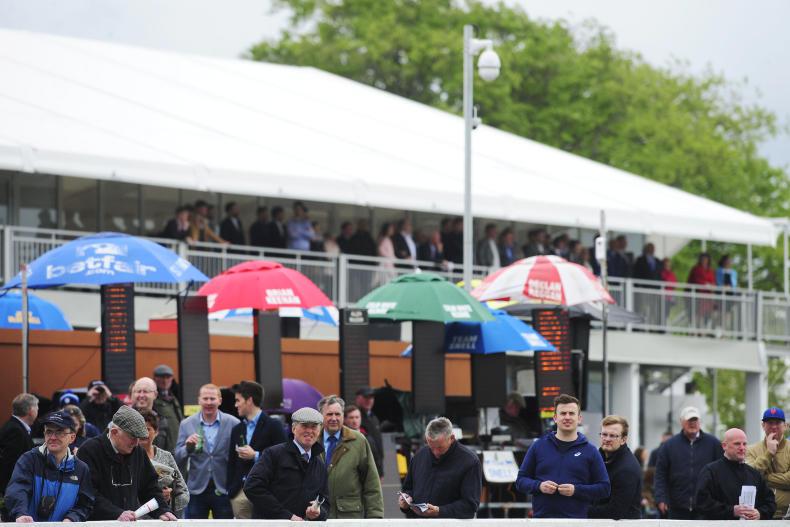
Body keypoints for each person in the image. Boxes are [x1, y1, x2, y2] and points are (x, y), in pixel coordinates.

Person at [515, 393, 610, 518]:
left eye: (571, 413)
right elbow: (521, 481)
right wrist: (539, 486)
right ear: (555, 418)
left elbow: (604, 488)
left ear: (579, 418)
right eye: (563, 413)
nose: (567, 417)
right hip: (542, 521)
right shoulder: (538, 446)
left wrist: (576, 490)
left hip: (577, 522)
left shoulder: (590, 451)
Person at [77, 406, 176, 521]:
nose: (136, 443)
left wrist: (163, 510)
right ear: (114, 432)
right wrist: (116, 513)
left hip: (129, 522)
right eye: (132, 437)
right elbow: (88, 493)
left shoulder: (138, 452)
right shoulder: (89, 451)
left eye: (138, 438)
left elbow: (150, 488)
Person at [4, 411, 93, 522]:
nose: (53, 437)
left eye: (59, 432)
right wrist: (21, 513)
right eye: (49, 432)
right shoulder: (29, 460)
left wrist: (72, 519)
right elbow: (17, 489)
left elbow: (85, 504)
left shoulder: (81, 469)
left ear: (72, 437)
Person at [244, 407, 329, 520]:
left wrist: (318, 512)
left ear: (319, 431)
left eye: (314, 426)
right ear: (293, 428)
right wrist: (286, 516)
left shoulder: (320, 464)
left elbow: (325, 501)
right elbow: (252, 487)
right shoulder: (273, 454)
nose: (309, 431)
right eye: (304, 426)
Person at [174, 383, 239, 519]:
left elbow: (238, 456)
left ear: (220, 400)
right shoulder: (186, 424)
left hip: (224, 487)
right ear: (199, 400)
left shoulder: (234, 423)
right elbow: (177, 457)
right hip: (196, 488)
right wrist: (187, 447)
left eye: (212, 398)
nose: (209, 402)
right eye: (205, 398)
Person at [399, 417, 481, 519]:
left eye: (440, 447)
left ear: (452, 438)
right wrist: (406, 500)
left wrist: (440, 511)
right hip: (418, 523)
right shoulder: (419, 456)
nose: (435, 452)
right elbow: (408, 488)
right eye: (431, 446)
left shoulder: (469, 461)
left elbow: (470, 505)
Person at [227, 381, 287, 519]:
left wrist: (256, 455)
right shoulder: (237, 429)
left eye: (238, 400)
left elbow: (284, 456)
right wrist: (230, 489)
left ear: (249, 400)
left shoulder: (274, 425)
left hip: (267, 491)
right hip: (239, 494)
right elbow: (231, 462)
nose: (235, 405)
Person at [318, 395, 383, 519]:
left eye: (337, 414)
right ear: (321, 416)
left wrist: (375, 517)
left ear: (343, 416)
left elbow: (371, 482)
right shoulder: (311, 441)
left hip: (350, 516)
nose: (334, 418)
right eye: (329, 414)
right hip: (318, 516)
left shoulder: (358, 441)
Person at [654, 405, 723, 519]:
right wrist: (660, 498)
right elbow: (660, 474)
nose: (692, 423)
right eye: (689, 420)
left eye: (695, 420)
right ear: (681, 422)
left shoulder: (713, 444)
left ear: (700, 422)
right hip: (676, 508)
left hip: (705, 508)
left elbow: (721, 473)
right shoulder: (669, 446)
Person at [695, 428, 776, 520]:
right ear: (724, 446)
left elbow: (770, 503)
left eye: (744, 444)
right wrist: (732, 511)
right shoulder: (710, 471)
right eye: (737, 444)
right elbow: (701, 503)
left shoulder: (754, 474)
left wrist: (760, 513)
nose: (742, 448)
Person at [588, 415, 642, 519]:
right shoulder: (598, 458)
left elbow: (615, 511)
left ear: (623, 440)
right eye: (604, 434)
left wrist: (581, 510)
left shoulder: (627, 469)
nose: (607, 439)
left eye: (613, 436)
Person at [138, 409, 189, 517]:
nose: (143, 433)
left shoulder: (167, 457)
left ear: (156, 432)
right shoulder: (127, 457)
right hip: (136, 519)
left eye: (147, 429)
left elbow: (184, 493)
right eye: (139, 429)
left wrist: (169, 499)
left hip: (163, 520)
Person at [747, 406, 790, 519]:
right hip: (760, 514)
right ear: (763, 426)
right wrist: (769, 453)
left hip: (787, 516)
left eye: (778, 423)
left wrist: (764, 478)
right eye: (770, 423)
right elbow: (750, 477)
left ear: (785, 426)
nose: (774, 427)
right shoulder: (751, 450)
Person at [0, 393, 38, 518]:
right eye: (36, 407)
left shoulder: (17, 427)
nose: (38, 410)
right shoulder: (15, 430)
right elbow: (10, 464)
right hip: (13, 492)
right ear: (31, 410)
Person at [131, 377, 174, 452]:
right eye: (138, 391)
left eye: (145, 391)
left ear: (155, 394)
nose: (141, 395)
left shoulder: (162, 421)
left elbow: (169, 450)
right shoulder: (124, 419)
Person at [152, 365, 183, 455]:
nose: (165, 381)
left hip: (177, 448)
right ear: (155, 379)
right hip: (162, 450)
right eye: (161, 377)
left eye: (168, 377)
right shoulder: (152, 399)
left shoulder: (174, 397)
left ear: (172, 378)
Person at [355, 387, 384, 477]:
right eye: (366, 397)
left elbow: (378, 446)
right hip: (362, 467)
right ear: (358, 399)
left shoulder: (374, 417)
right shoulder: (354, 419)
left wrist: (380, 470)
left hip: (376, 465)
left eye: (371, 398)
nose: (369, 400)